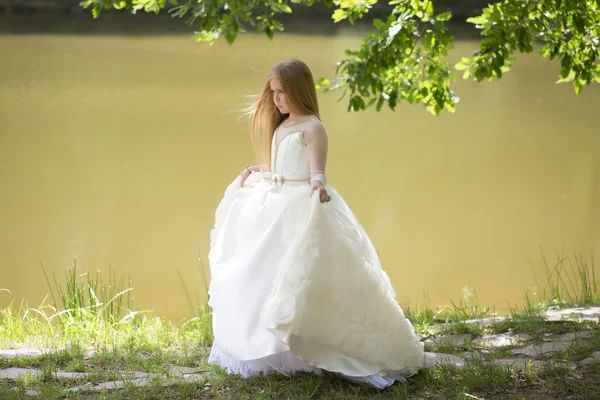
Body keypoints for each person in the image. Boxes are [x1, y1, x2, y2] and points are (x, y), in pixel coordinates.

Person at [207, 59, 424, 389]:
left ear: (299, 90)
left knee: (300, 273)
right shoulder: (281, 127)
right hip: (274, 201)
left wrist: (318, 184)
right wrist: (258, 170)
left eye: (283, 92)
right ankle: (268, 348)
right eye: (274, 93)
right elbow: (278, 164)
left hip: (299, 203)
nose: (277, 99)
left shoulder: (312, 128)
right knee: (265, 270)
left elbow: (315, 169)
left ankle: (311, 344)